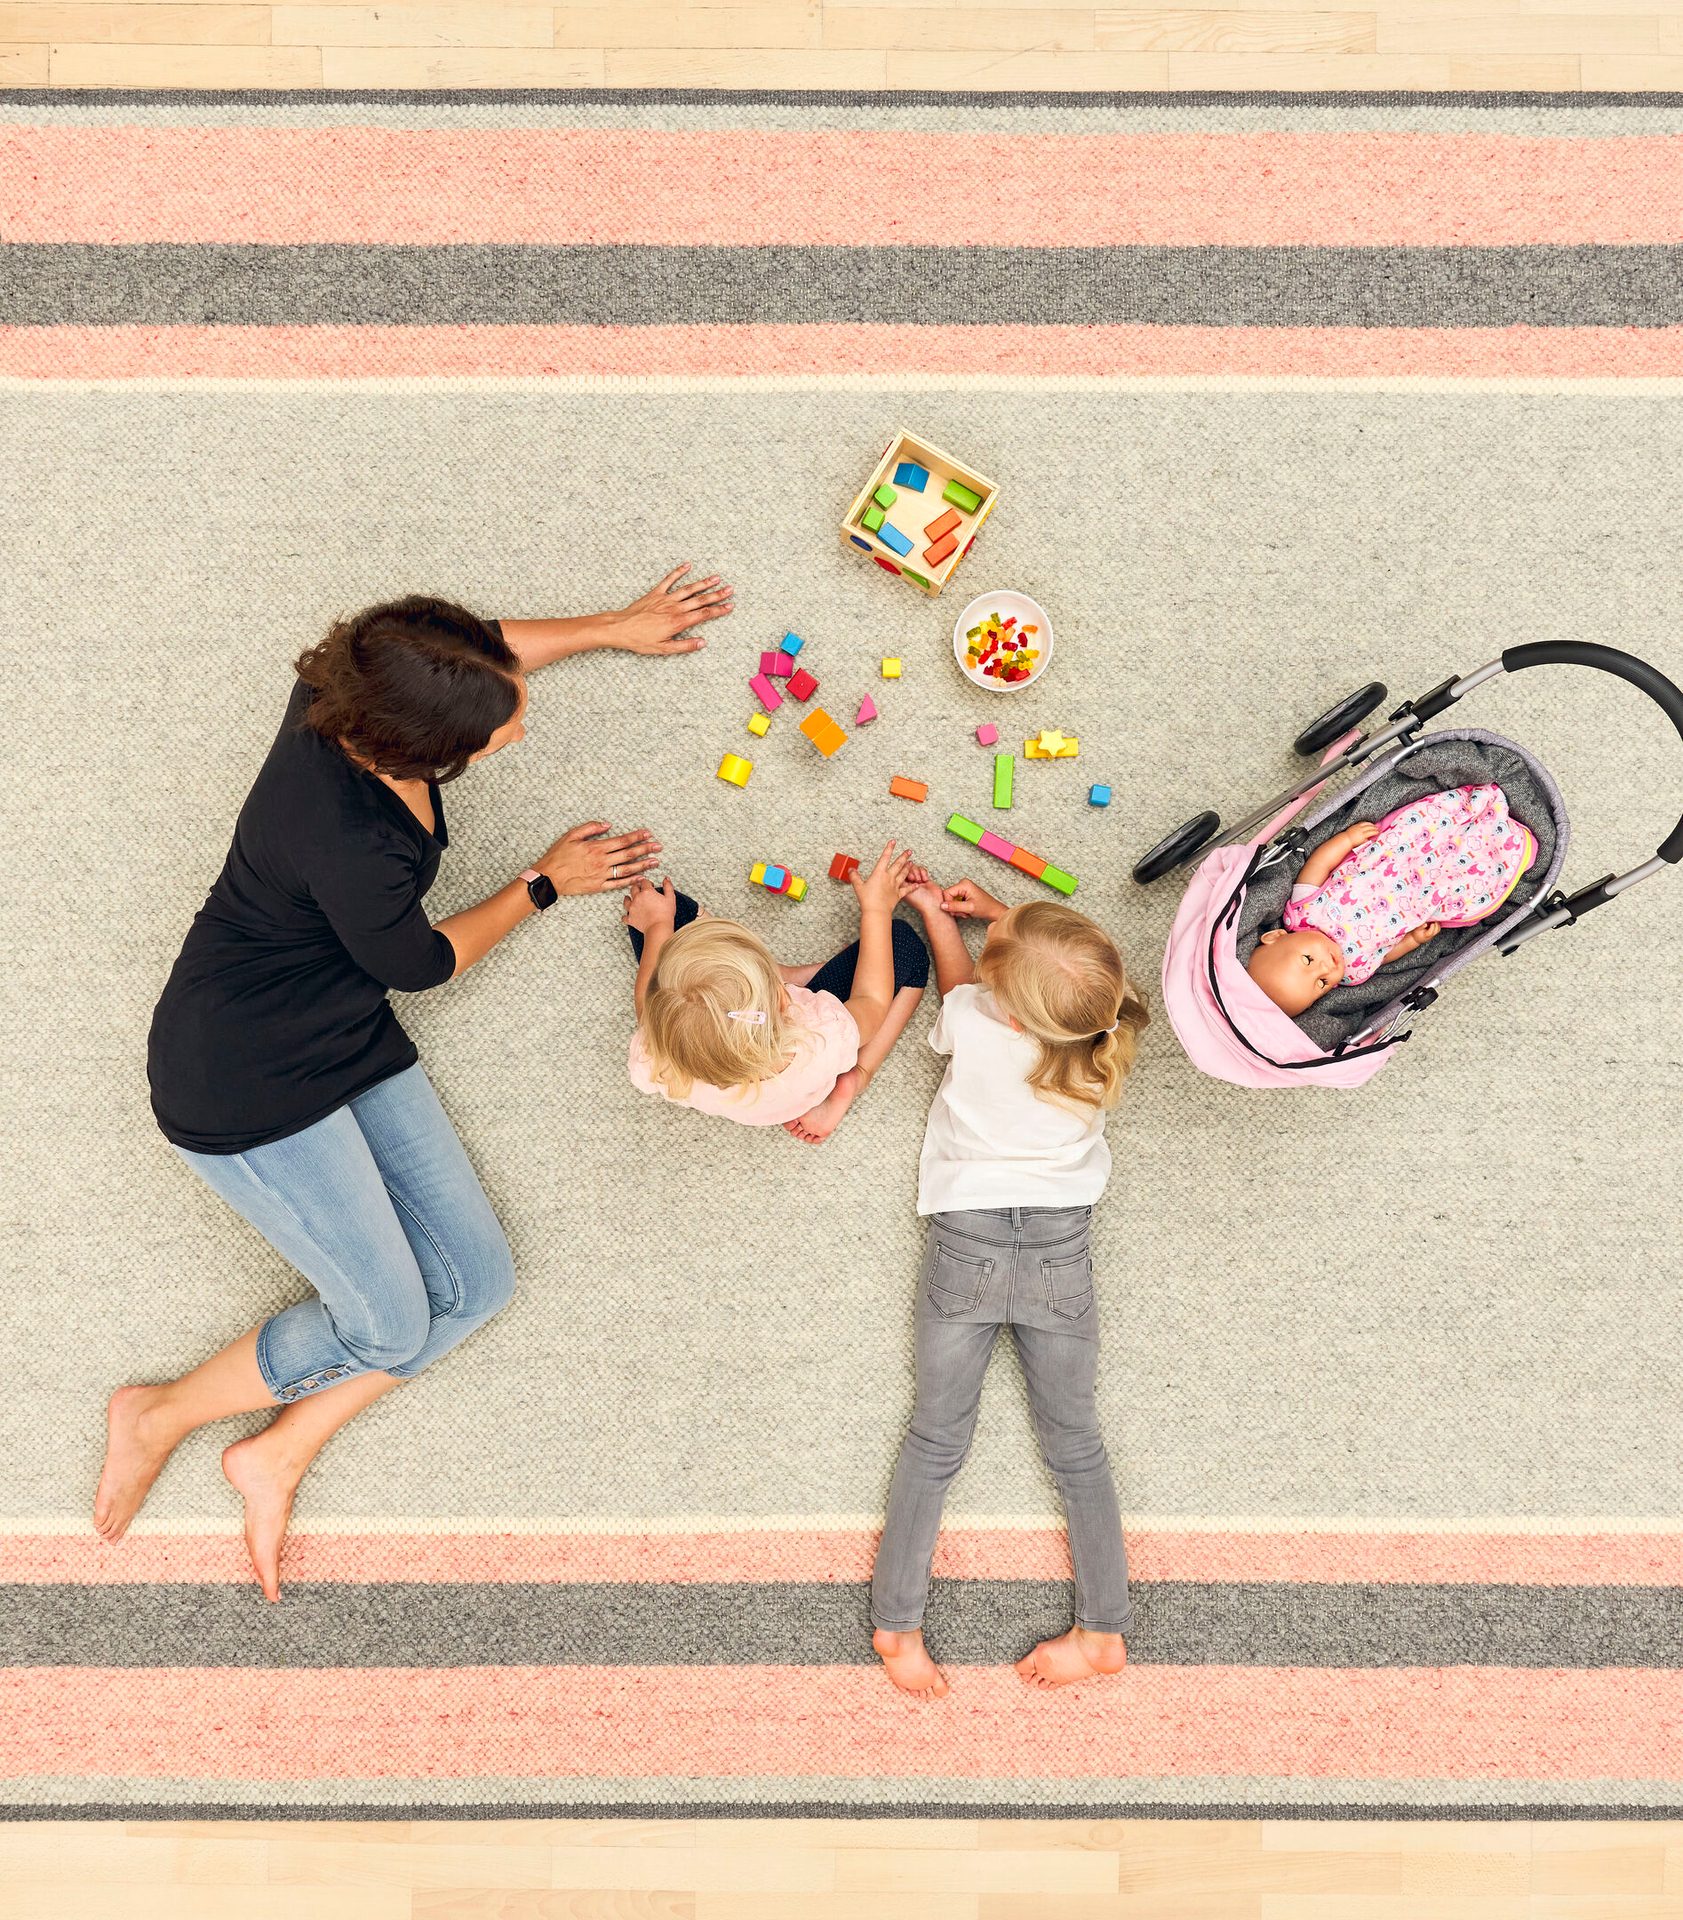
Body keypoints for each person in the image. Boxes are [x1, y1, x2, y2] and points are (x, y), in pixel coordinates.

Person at [99, 568, 733, 1598]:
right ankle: (160, 1413)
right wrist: (542, 883)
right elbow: (424, 964)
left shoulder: (349, 683)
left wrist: (615, 624)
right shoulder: (356, 845)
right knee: (389, 1326)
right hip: (243, 1084)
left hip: (339, 1024)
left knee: (478, 1286)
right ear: (416, 750)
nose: (517, 734)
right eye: (495, 734)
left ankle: (277, 1450)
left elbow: (473, 651)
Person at [870, 873, 1150, 1698]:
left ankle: (897, 1623)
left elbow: (959, 987)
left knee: (933, 1442)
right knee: (1077, 1449)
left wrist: (936, 916)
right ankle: (1103, 1629)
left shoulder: (975, 1023)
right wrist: (1005, 918)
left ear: (1013, 1010)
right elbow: (1085, 969)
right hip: (1059, 1249)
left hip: (967, 1241)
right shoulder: (1109, 1033)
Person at [622, 842, 929, 1141]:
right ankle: (860, 1073)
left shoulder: (658, 1061)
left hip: (752, 1084)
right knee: (904, 945)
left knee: (663, 908)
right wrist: (876, 910)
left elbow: (646, 1009)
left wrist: (657, 926)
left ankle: (783, 972)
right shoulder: (821, 1035)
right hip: (808, 1067)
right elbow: (871, 1001)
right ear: (784, 995)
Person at [1246, 783, 1538, 1016]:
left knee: (1425, 833)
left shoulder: (1302, 913)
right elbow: (1384, 954)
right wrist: (1412, 941)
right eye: (1321, 984)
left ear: (1276, 936)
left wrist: (1346, 840)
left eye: (1308, 960)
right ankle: (1501, 848)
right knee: (1461, 881)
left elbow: (1318, 865)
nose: (1326, 968)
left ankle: (1473, 817)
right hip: (1419, 895)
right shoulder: (1353, 971)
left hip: (1393, 860)